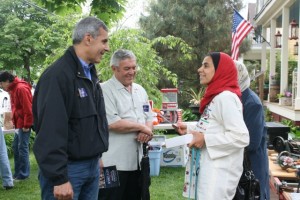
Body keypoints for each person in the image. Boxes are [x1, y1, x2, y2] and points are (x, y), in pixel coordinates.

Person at [32, 16, 109, 200]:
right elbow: (50, 131)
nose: (107, 48)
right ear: (88, 38)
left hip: (90, 168)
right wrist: (59, 179)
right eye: (104, 41)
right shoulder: (57, 76)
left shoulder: (90, 74)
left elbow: (90, 121)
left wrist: (96, 156)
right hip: (68, 172)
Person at [175, 52, 249, 199]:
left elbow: (241, 136)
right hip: (209, 172)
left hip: (218, 177)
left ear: (221, 70)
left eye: (206, 66)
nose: (199, 69)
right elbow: (213, 124)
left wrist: (206, 139)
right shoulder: (218, 96)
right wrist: (189, 128)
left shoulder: (226, 98)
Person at [99, 49, 153, 200]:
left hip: (137, 162)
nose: (132, 72)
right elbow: (113, 123)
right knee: (108, 197)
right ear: (114, 69)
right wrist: (142, 127)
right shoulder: (104, 90)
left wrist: (147, 130)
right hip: (112, 164)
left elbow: (149, 116)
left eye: (134, 67)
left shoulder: (140, 90)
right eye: (127, 68)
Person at [234, 60, 270, 200]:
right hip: (242, 163)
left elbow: (252, 142)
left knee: (254, 194)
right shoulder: (237, 98)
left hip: (252, 165)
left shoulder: (251, 102)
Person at [0, 71, 33, 181]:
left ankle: (23, 174)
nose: (0, 86)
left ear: (7, 81)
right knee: (16, 147)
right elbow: (16, 108)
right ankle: (18, 173)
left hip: (24, 124)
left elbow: (28, 108)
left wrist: (27, 124)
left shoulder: (20, 88)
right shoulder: (13, 89)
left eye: (1, 83)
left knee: (22, 148)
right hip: (19, 123)